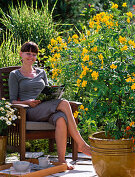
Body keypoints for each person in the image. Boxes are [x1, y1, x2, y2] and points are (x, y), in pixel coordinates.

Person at [9, 41, 91, 169]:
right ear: (21, 54)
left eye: (34, 54)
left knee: (61, 119)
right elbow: (12, 101)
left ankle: (62, 161)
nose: (31, 57)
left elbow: (47, 91)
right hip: (29, 110)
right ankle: (81, 144)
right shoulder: (15, 75)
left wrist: (53, 95)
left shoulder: (41, 73)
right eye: (28, 53)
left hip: (46, 107)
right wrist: (28, 102)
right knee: (64, 103)